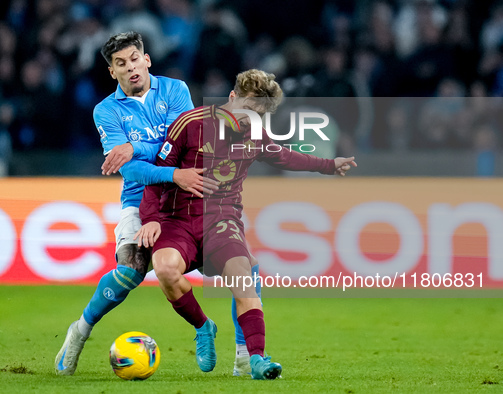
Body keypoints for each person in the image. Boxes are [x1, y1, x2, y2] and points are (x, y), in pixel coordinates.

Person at [135, 69, 356, 380]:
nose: (252, 119)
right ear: (232, 97)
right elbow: (157, 176)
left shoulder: (256, 135)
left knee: (244, 281)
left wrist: (329, 165)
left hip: (222, 221)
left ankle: (256, 359)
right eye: (249, 110)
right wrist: (152, 220)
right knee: (165, 269)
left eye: (259, 115)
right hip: (178, 219)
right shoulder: (190, 123)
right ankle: (203, 326)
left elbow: (286, 157)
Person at [55, 31, 244, 376]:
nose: (130, 69)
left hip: (188, 195)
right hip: (138, 198)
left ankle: (245, 355)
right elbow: (130, 169)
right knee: (131, 269)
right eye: (120, 64)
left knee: (237, 268)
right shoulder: (106, 111)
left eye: (134, 59)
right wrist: (143, 161)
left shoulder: (175, 90)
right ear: (112, 72)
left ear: (147, 60)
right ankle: (79, 332)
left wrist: (135, 147)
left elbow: (185, 144)